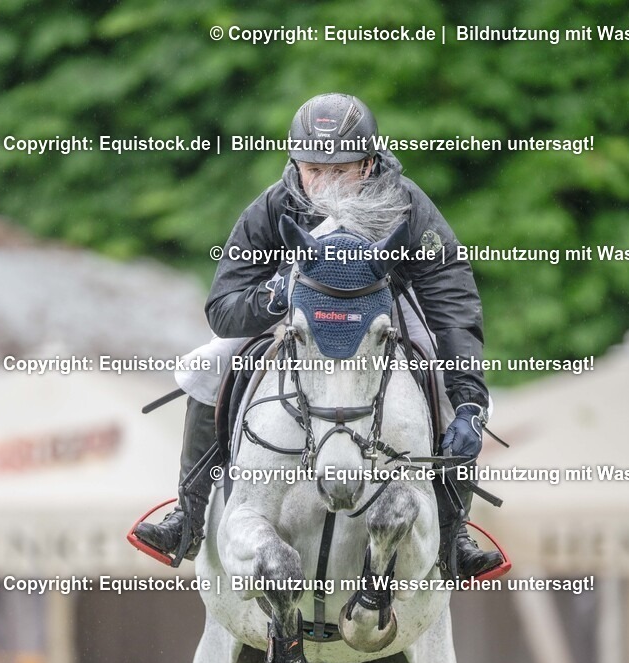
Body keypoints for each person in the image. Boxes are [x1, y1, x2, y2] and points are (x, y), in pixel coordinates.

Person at [135, 93, 504, 580]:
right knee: (209, 363)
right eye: (314, 170)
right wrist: (277, 292)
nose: (325, 181)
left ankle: (454, 535)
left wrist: (469, 401)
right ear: (296, 164)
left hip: (382, 309)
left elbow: (451, 298)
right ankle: (188, 515)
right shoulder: (275, 204)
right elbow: (223, 308)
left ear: (368, 163)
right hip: (298, 307)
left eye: (340, 170)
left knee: (444, 382)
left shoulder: (407, 204)